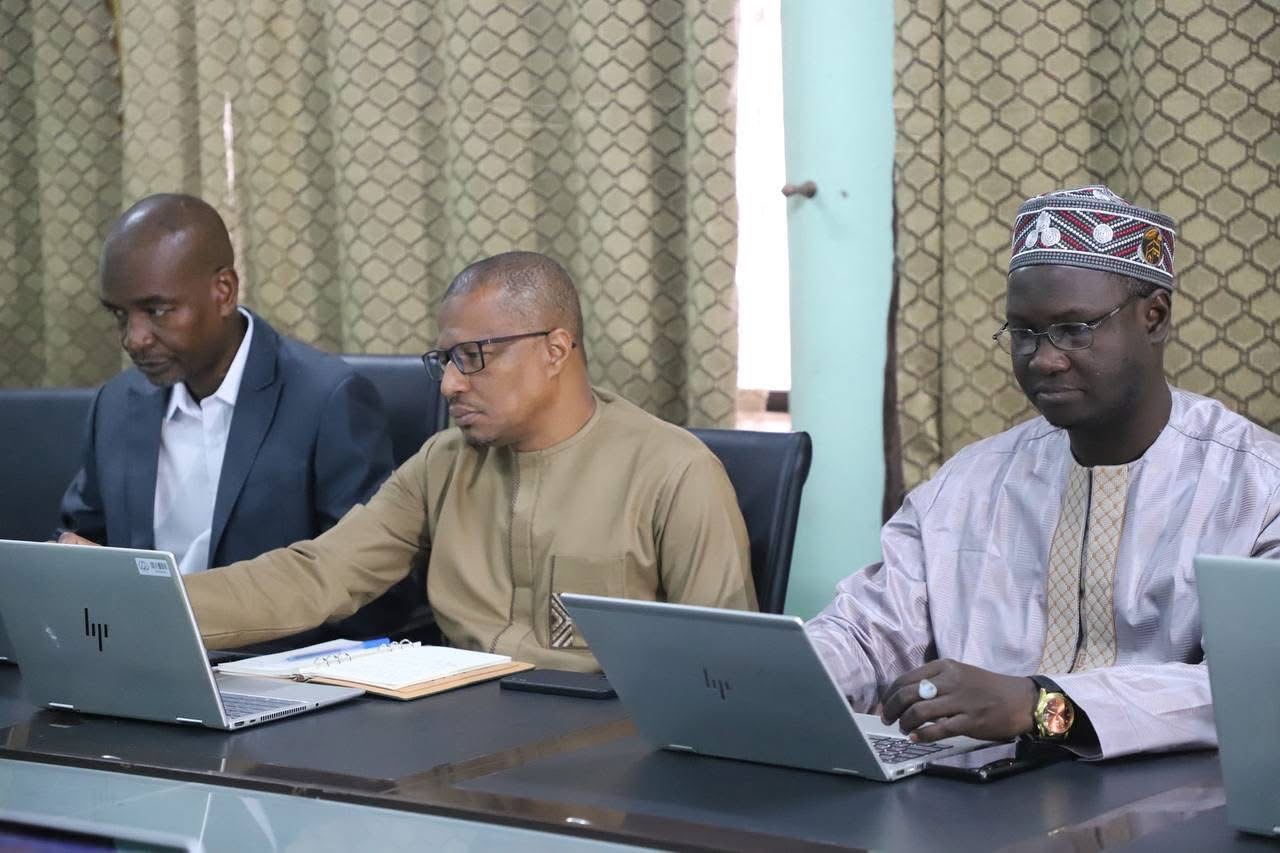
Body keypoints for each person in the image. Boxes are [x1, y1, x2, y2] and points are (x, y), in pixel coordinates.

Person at [806, 185, 1280, 759]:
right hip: (970, 794)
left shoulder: (1258, 489)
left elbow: (1252, 685)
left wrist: (1040, 706)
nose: (1044, 359)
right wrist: (784, 672)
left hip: (1172, 798)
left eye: (1075, 329)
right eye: (1024, 333)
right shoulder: (968, 483)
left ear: (1154, 317)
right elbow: (867, 634)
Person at [182, 251, 757, 669]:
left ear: (555, 350)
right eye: (445, 360)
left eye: (474, 356)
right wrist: (156, 605)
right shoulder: (443, 463)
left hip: (608, 750)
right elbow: (320, 574)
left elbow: (728, 667)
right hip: (457, 735)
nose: (450, 384)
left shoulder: (674, 473)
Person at [59, 193, 403, 642]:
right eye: (120, 315)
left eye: (157, 311)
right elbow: (81, 538)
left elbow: (371, 587)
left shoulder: (327, 400)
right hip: (139, 654)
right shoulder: (116, 404)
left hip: (275, 667)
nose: (134, 338)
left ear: (223, 292)